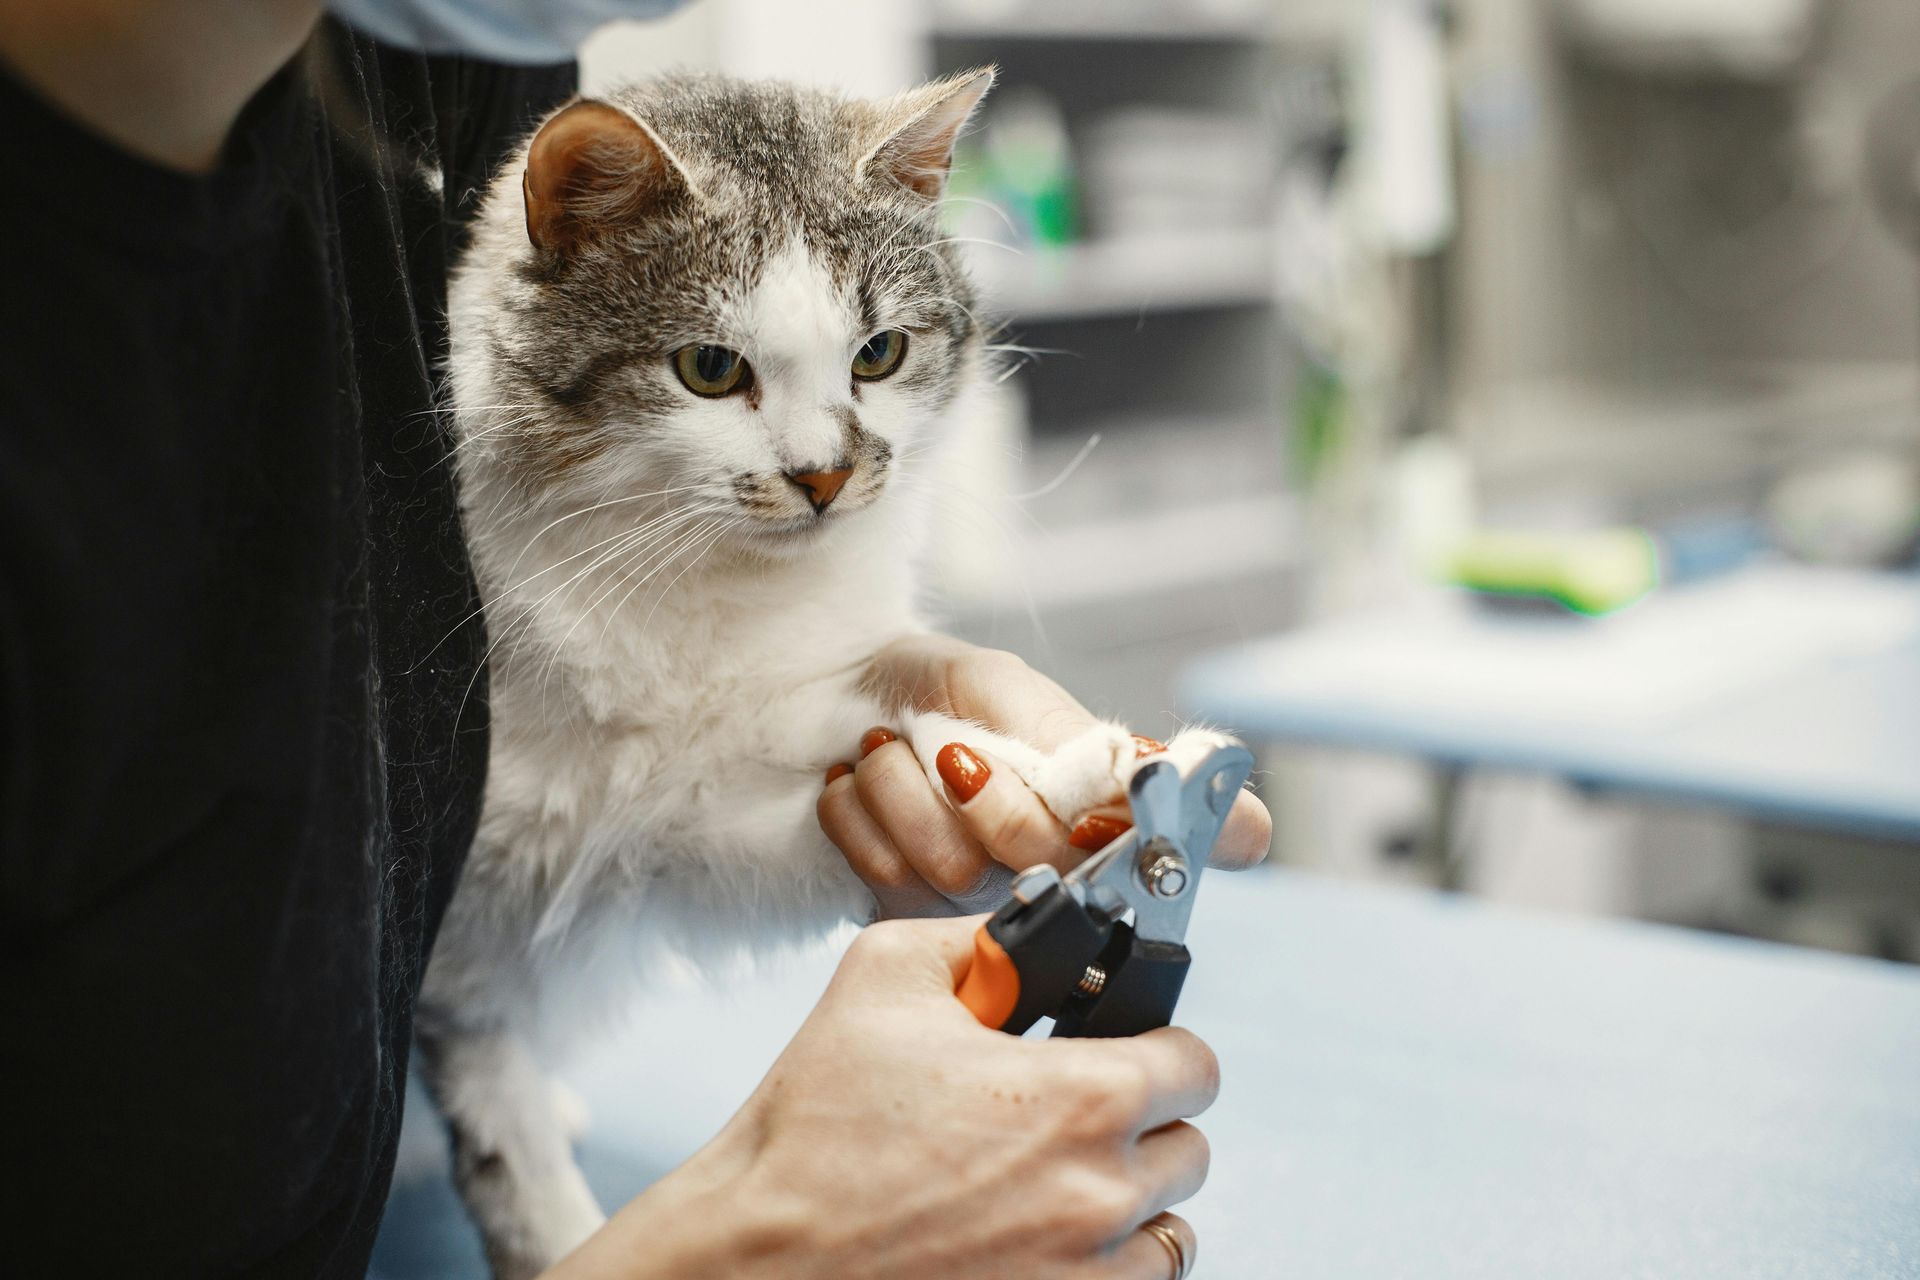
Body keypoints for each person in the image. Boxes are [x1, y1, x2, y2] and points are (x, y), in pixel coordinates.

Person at [0, 2, 1271, 1276]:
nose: (829, 463)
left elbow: (658, 824)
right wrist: (748, 1240)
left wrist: (948, 737)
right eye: (720, 370)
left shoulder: (449, 64)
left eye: (878, 355)